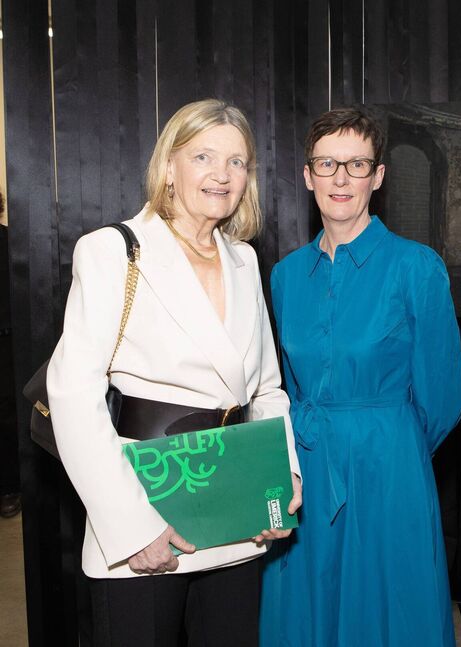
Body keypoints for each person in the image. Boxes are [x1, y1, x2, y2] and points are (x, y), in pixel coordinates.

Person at [47, 99, 301, 646]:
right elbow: (72, 396)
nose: (222, 174)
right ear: (169, 167)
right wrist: (132, 526)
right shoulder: (113, 252)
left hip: (236, 514)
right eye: (204, 156)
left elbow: (267, 390)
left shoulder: (244, 259)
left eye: (237, 162)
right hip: (147, 510)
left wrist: (280, 483)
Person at [260, 108, 461, 646]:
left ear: (378, 177)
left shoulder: (417, 267)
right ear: (307, 176)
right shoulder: (284, 276)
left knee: (389, 613)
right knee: (306, 610)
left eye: (356, 164)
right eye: (327, 164)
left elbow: (442, 398)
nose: (341, 178)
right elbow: (280, 386)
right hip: (305, 469)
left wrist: (389, 446)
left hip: (388, 469)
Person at [0, 191, 22, 519]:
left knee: (6, 418)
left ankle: (7, 491)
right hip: (6, 341)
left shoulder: (10, 240)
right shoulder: (9, 240)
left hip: (5, 342)